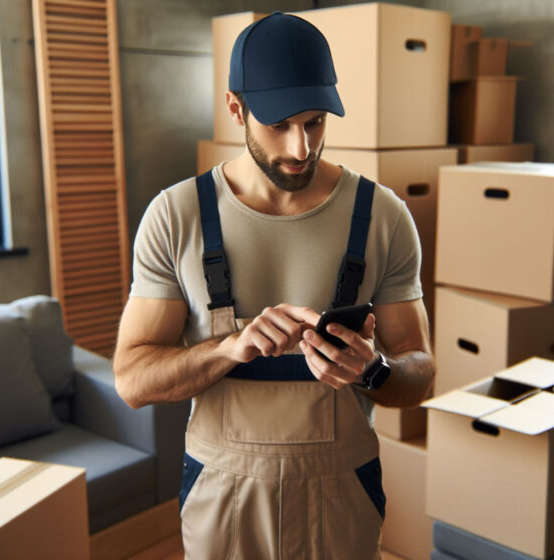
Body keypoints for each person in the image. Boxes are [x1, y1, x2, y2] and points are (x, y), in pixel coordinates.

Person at [113, 11, 434, 560]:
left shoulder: (382, 216)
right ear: (236, 108)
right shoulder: (176, 216)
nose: (300, 148)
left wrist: (373, 370)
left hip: (343, 488)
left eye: (314, 122)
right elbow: (133, 380)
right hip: (222, 491)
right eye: (279, 125)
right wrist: (228, 349)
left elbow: (420, 371)